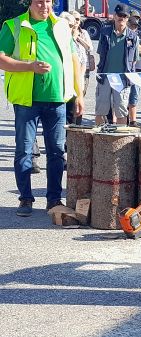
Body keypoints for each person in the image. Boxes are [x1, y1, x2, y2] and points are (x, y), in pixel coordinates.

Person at [0, 0, 84, 216]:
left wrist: (79, 93)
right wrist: (29, 67)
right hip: (26, 101)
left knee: (56, 152)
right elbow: (1, 59)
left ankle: (54, 199)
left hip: (57, 99)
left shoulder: (62, 26)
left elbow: (74, 60)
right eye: (39, 1)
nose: (44, 6)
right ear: (30, 3)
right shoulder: (13, 25)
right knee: (24, 151)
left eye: (48, 1)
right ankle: (25, 199)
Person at [95, 4, 138, 125]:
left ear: (128, 18)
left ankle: (120, 141)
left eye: (124, 16)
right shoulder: (104, 33)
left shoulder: (133, 36)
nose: (121, 18)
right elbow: (100, 54)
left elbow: (134, 60)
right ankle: (100, 141)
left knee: (121, 111)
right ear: (114, 16)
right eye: (119, 15)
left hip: (123, 79)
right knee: (100, 111)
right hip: (105, 77)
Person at [60, 11, 86, 125]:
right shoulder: (56, 41)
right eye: (67, 26)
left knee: (72, 118)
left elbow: (83, 62)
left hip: (74, 85)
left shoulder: (76, 43)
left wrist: (79, 83)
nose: (69, 28)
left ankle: (69, 142)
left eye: (71, 26)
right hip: (59, 86)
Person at [127, 15, 141, 127]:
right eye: (132, 25)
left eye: (135, 25)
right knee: (122, 95)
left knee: (134, 95)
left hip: (138, 67)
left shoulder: (140, 34)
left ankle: (133, 121)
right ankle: (122, 119)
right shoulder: (124, 33)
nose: (134, 27)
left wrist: (133, 46)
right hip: (125, 67)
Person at [69, 10, 93, 96]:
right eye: (74, 19)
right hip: (69, 68)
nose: (76, 21)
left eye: (78, 19)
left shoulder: (84, 32)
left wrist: (78, 38)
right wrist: (72, 37)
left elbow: (90, 48)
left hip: (83, 67)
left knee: (81, 94)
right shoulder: (65, 32)